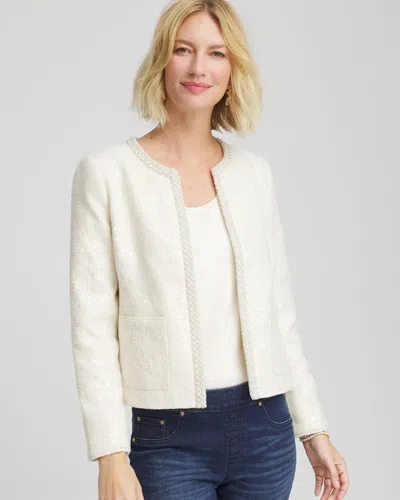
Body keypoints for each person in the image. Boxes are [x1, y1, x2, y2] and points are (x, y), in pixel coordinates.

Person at [69, 1, 350, 499]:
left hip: (266, 429)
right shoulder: (109, 175)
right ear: (162, 60)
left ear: (232, 68)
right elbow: (92, 329)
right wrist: (109, 453)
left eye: (217, 53)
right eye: (184, 50)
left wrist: (313, 428)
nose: (199, 67)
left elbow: (279, 315)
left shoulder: (254, 175)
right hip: (169, 437)